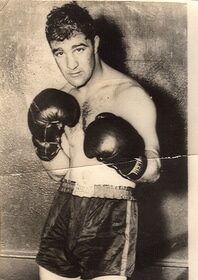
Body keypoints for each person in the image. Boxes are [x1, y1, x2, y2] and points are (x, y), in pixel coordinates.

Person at [28, 2, 161, 280]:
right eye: (59, 53)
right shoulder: (64, 96)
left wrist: (126, 157)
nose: (71, 64)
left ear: (95, 43)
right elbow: (59, 173)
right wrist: (44, 143)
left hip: (110, 213)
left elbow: (154, 172)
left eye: (79, 49)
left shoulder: (129, 95)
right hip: (65, 206)